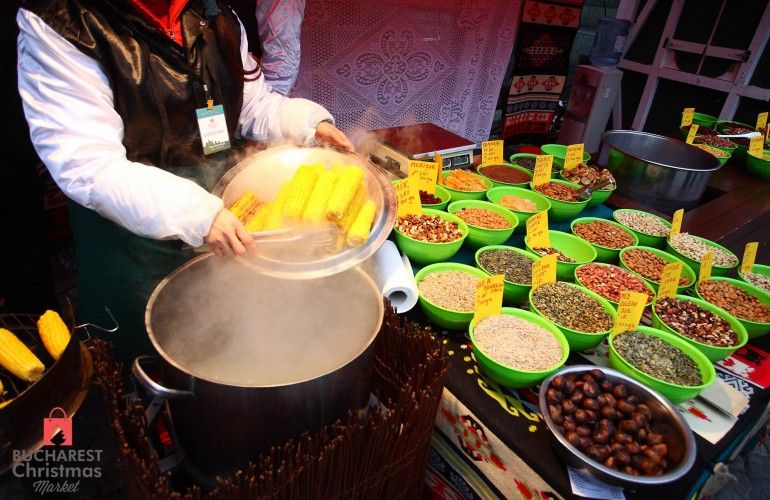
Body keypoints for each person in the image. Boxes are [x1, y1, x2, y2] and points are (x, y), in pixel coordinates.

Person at [17, 0, 353, 363]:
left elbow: (251, 103)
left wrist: (307, 124)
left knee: (232, 351)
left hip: (225, 226)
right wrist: (198, 215)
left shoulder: (212, 10)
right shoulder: (62, 23)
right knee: (147, 363)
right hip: (133, 249)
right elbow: (88, 165)